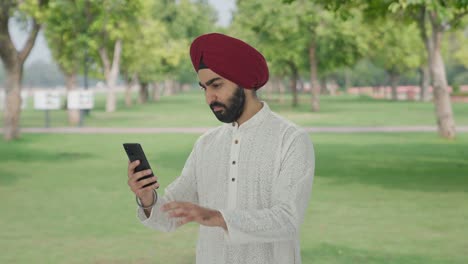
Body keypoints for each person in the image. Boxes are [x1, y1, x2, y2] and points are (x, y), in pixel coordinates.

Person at [127, 33, 315, 264]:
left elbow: (288, 220)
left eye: (216, 85)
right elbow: (171, 216)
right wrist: (147, 199)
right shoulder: (207, 144)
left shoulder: (290, 139)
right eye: (204, 88)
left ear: (244, 81)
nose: (209, 97)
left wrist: (216, 217)